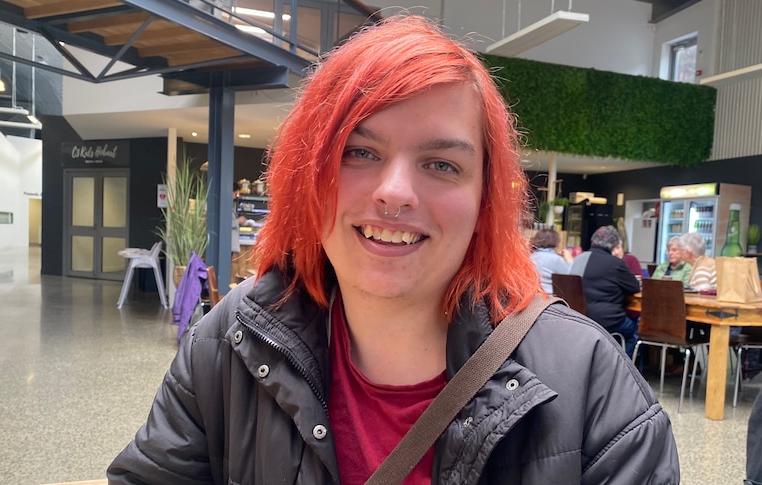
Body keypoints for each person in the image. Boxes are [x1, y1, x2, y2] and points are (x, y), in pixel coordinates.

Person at [107, 15, 678, 484]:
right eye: (359, 152)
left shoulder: (593, 386)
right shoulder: (228, 343)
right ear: (309, 171)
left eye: (441, 164)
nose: (395, 193)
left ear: (485, 200)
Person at [569, 225, 641, 357]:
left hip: (579, 317)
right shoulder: (615, 263)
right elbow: (634, 287)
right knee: (633, 333)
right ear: (613, 246)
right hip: (607, 319)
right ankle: (623, 371)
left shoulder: (579, 259)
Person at [529, 227, 572, 294]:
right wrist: (569, 260)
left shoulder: (531, 257)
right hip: (550, 296)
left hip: (533, 294)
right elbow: (570, 278)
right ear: (556, 242)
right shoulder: (556, 259)